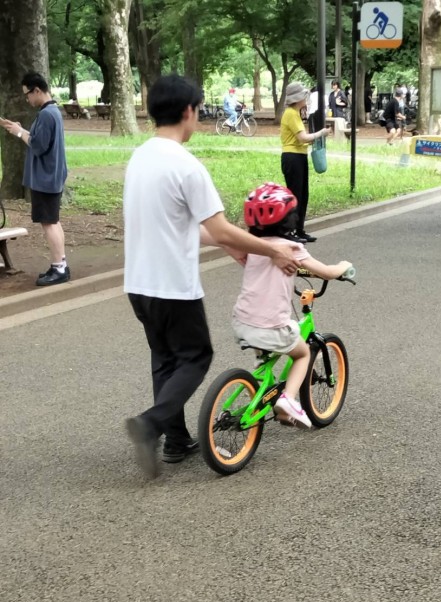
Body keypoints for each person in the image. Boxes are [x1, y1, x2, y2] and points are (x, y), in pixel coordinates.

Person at [123, 75, 301, 479]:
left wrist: (227, 245)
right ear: (189, 111)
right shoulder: (186, 165)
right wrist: (272, 248)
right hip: (172, 286)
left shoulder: (140, 158)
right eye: (199, 110)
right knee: (196, 356)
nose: (199, 116)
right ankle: (151, 425)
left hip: (138, 284)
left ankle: (175, 439)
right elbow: (220, 227)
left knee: (165, 360)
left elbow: (180, 225)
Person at [232, 183, 352, 429]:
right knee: (302, 353)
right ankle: (288, 400)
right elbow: (327, 272)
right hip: (272, 325)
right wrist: (343, 266)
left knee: (265, 355)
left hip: (242, 322)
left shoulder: (252, 245)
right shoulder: (292, 248)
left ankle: (260, 394)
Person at [0, 72, 69, 287]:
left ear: (37, 90)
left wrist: (20, 132)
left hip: (45, 178)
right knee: (53, 221)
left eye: (28, 94)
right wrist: (20, 130)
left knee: (49, 223)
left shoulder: (47, 114)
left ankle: (59, 268)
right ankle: (61, 264)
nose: (27, 99)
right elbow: (41, 140)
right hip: (51, 176)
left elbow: (38, 146)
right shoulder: (51, 112)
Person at [280, 81, 330, 245]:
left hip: (298, 156)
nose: (306, 98)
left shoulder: (295, 113)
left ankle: (299, 229)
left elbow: (301, 139)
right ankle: (290, 231)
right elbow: (303, 138)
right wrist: (321, 133)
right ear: (298, 98)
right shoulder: (291, 114)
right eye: (304, 96)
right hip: (292, 157)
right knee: (295, 196)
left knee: (303, 195)